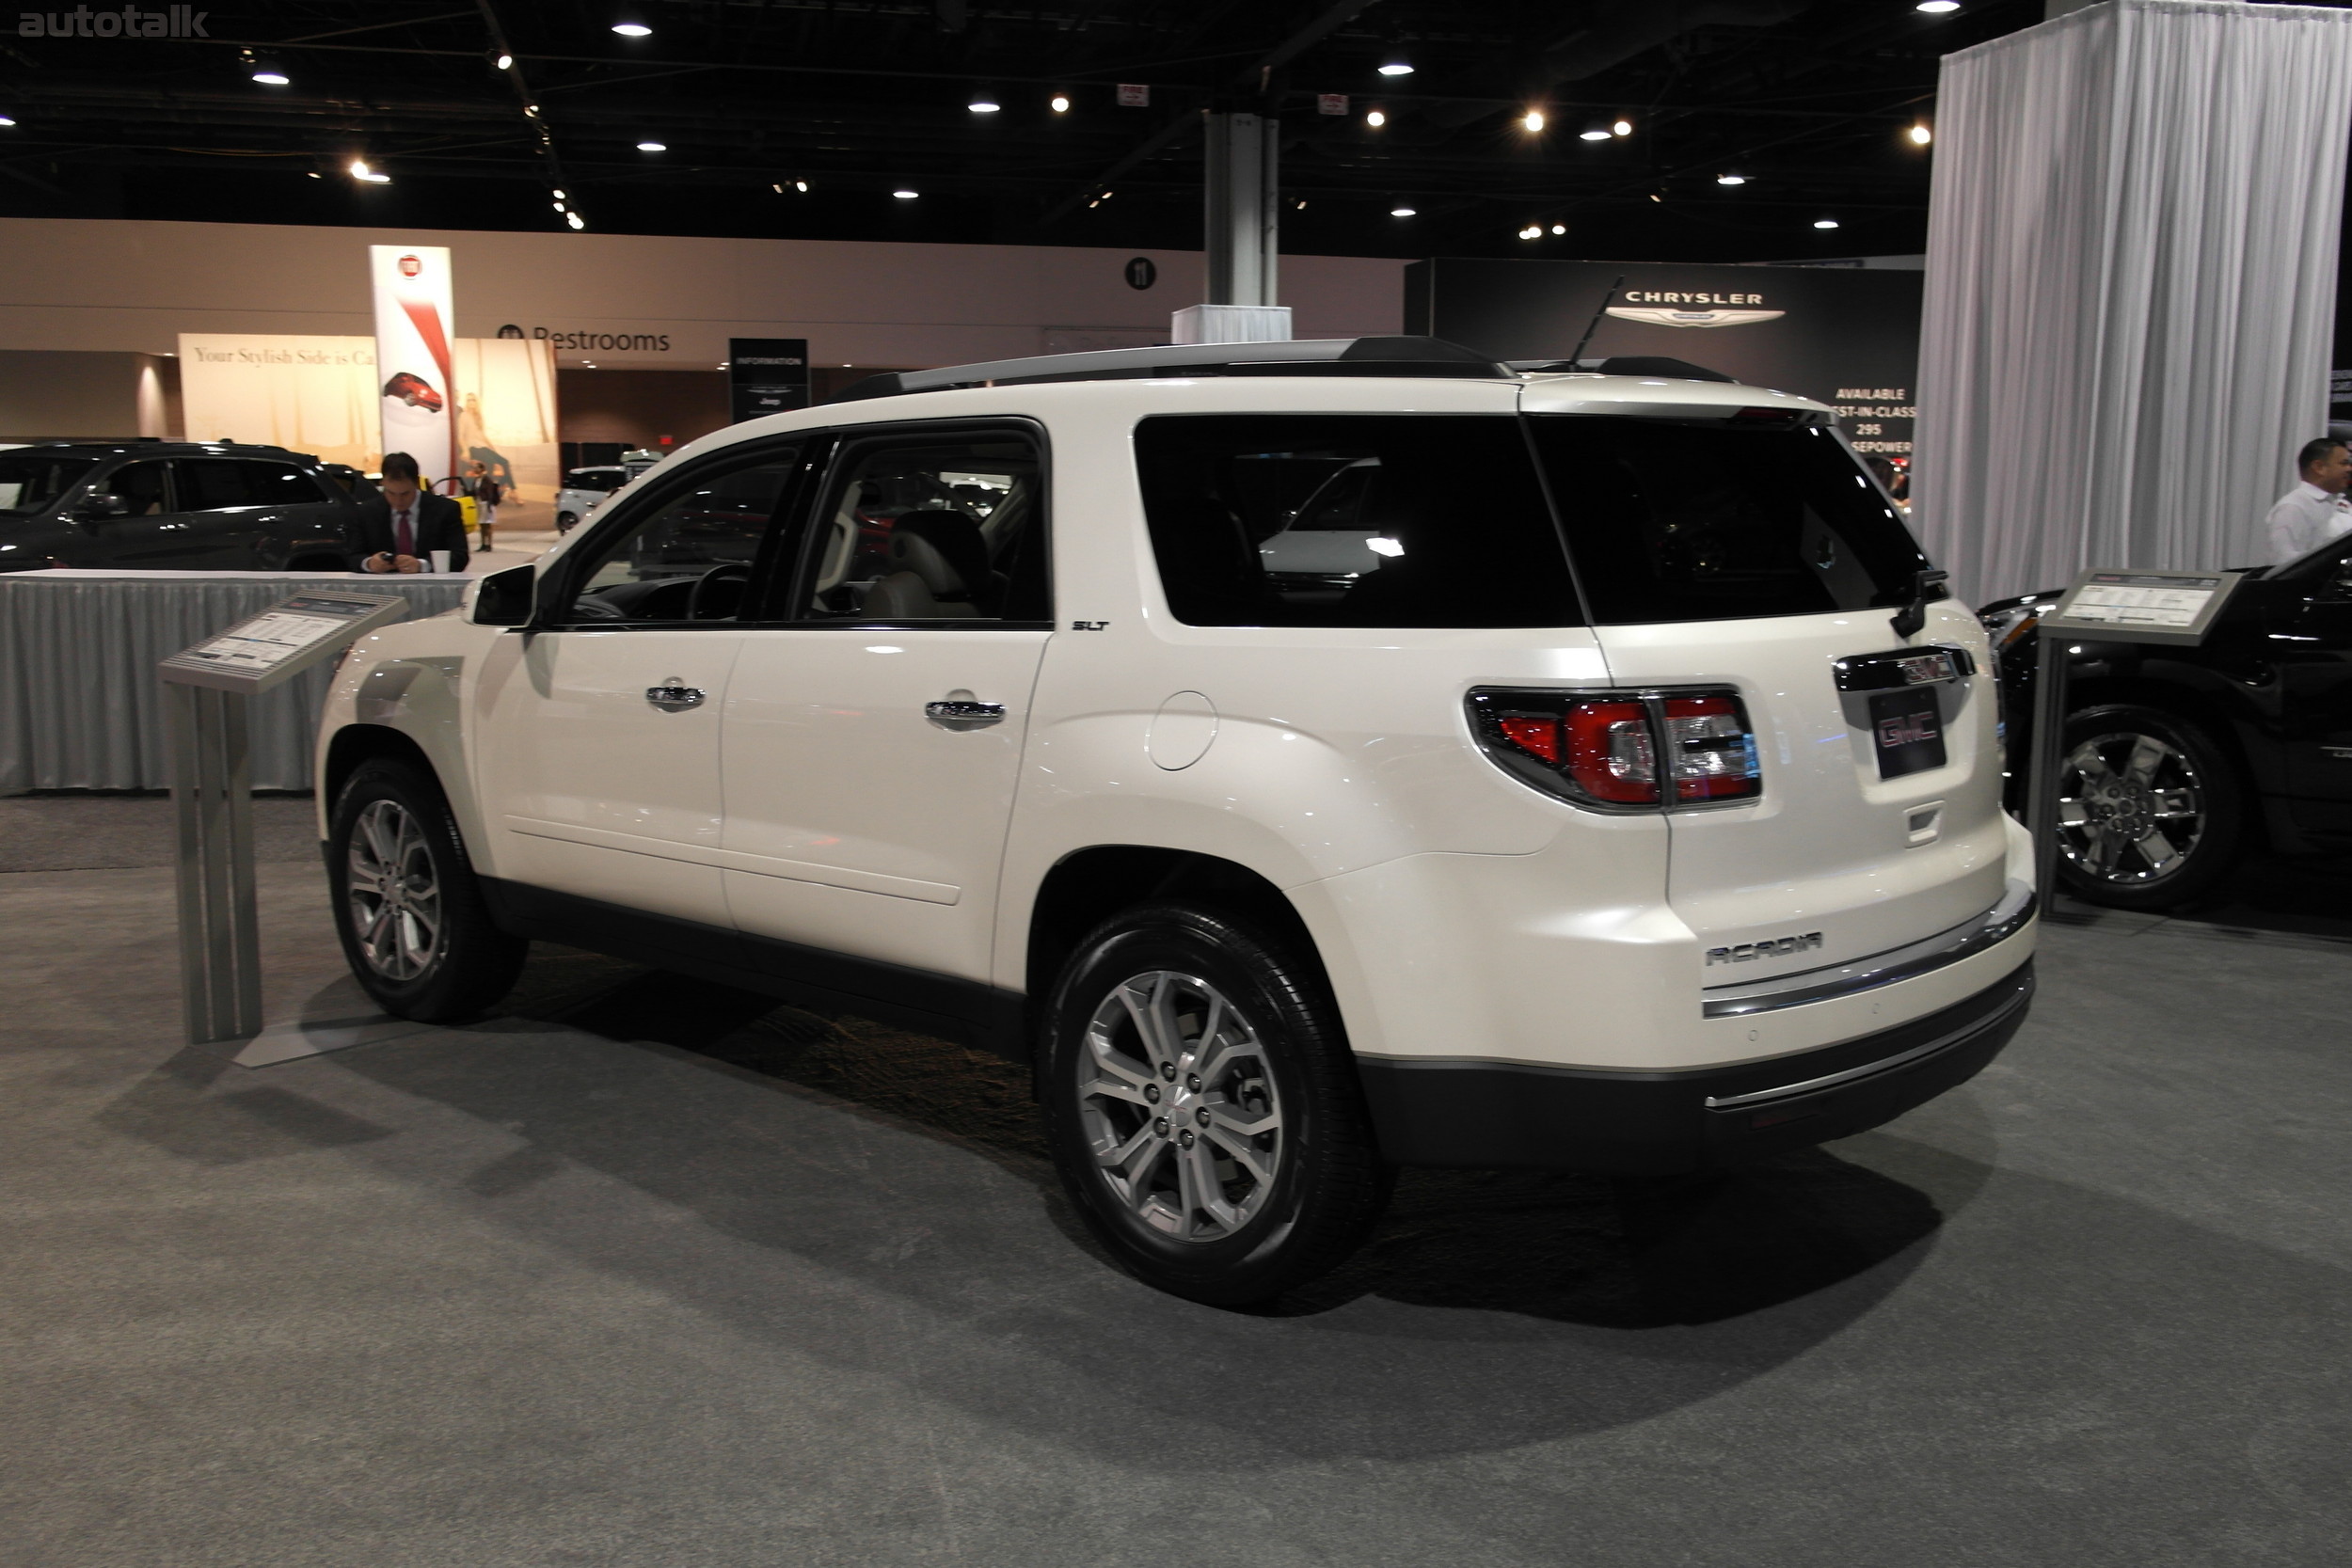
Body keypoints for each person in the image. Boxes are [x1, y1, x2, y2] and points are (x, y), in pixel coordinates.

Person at [352, 451, 469, 574]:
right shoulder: (366, 512)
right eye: (391, 493)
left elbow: (460, 556)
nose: (398, 501)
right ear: (382, 483)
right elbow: (353, 556)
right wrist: (369, 563)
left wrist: (422, 565)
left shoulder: (445, 509)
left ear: (417, 483)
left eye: (405, 494)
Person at [2264, 436, 2352, 564]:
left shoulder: (2339, 503)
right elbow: (2282, 562)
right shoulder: (2293, 507)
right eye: (2343, 463)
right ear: (2319, 467)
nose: (2349, 469)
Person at [467, 460, 501, 553]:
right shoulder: (476, 480)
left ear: (481, 469)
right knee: (482, 525)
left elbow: (489, 493)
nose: (474, 469)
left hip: (486, 504)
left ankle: (489, 544)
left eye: (476, 467)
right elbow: (474, 492)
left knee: (488, 525)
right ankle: (483, 544)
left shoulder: (487, 479)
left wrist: (490, 504)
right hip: (479, 503)